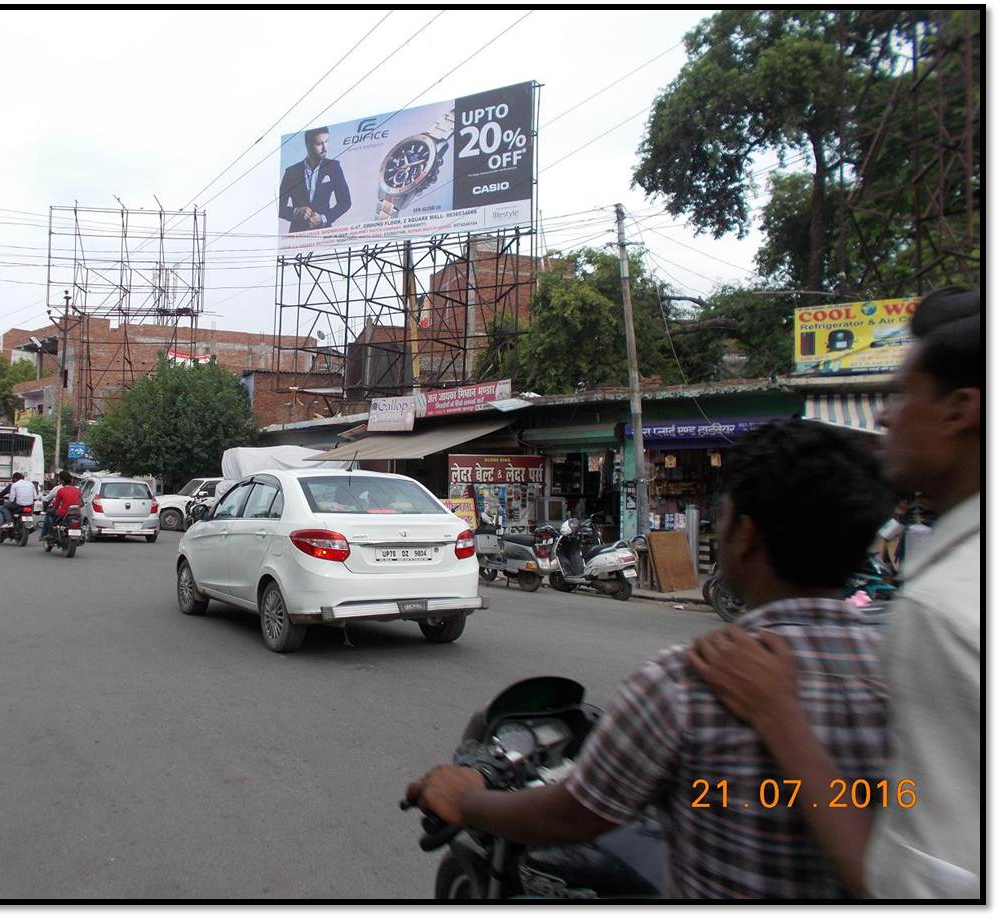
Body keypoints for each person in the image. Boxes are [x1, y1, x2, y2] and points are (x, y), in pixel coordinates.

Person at [405, 419, 894, 899]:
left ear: (745, 536)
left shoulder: (691, 679)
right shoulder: (901, 670)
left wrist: (466, 800)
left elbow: (573, 814)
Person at [689, 288, 981, 899]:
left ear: (960, 409)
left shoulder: (944, 609)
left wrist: (779, 716)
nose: (882, 416)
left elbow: (926, 890)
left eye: (902, 394)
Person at [279, 127, 351, 233]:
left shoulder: (334, 167)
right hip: (297, 235)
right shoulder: (291, 172)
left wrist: (323, 218)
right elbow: (277, 208)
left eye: (326, 142)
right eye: (319, 144)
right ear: (308, 145)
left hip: (324, 234)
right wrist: (296, 212)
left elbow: (345, 202)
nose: (325, 148)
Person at [46, 471, 82, 537]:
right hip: (76, 513)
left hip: (64, 513)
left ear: (62, 481)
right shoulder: (78, 490)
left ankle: (51, 531)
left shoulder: (61, 490)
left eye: (60, 480)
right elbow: (81, 504)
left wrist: (53, 508)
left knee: (49, 513)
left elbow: (56, 505)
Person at [38, 471, 66, 540]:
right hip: (73, 511)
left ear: (60, 480)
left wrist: (40, 498)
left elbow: (50, 500)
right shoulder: (76, 489)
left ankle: (47, 533)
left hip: (62, 510)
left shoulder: (58, 489)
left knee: (49, 513)